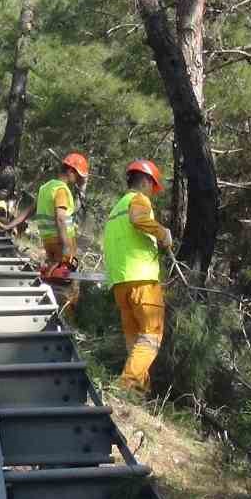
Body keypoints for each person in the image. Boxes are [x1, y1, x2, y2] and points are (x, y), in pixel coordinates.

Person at [103, 160, 173, 393]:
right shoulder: (138, 200)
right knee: (152, 335)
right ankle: (126, 387)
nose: (152, 193)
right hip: (142, 279)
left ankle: (138, 392)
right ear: (145, 181)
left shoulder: (115, 209)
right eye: (152, 187)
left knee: (136, 341)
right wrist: (162, 232)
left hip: (120, 282)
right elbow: (138, 218)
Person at [2, 153, 91, 318]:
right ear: (71, 171)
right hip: (62, 242)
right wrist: (65, 246)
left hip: (48, 242)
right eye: (78, 176)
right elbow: (60, 218)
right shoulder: (62, 190)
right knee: (68, 284)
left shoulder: (45, 188)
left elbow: (29, 211)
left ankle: (48, 311)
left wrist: (10, 225)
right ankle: (67, 318)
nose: (78, 180)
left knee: (51, 276)